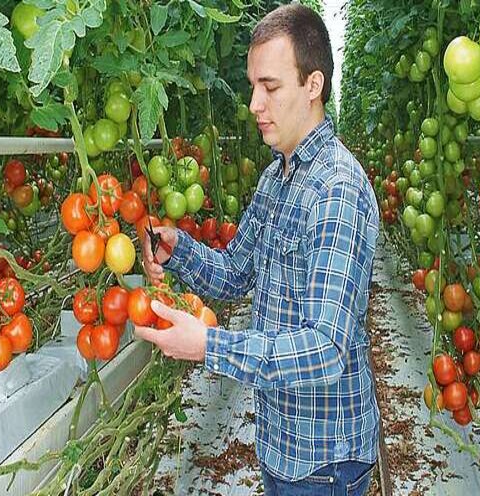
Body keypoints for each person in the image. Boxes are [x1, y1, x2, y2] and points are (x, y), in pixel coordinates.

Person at [134, 4, 380, 495]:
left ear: (314, 86)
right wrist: (178, 250)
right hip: (279, 441)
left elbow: (326, 349)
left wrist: (209, 346)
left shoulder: (337, 190)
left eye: (270, 87)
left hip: (322, 463)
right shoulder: (278, 175)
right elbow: (236, 272)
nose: (254, 104)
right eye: (253, 87)